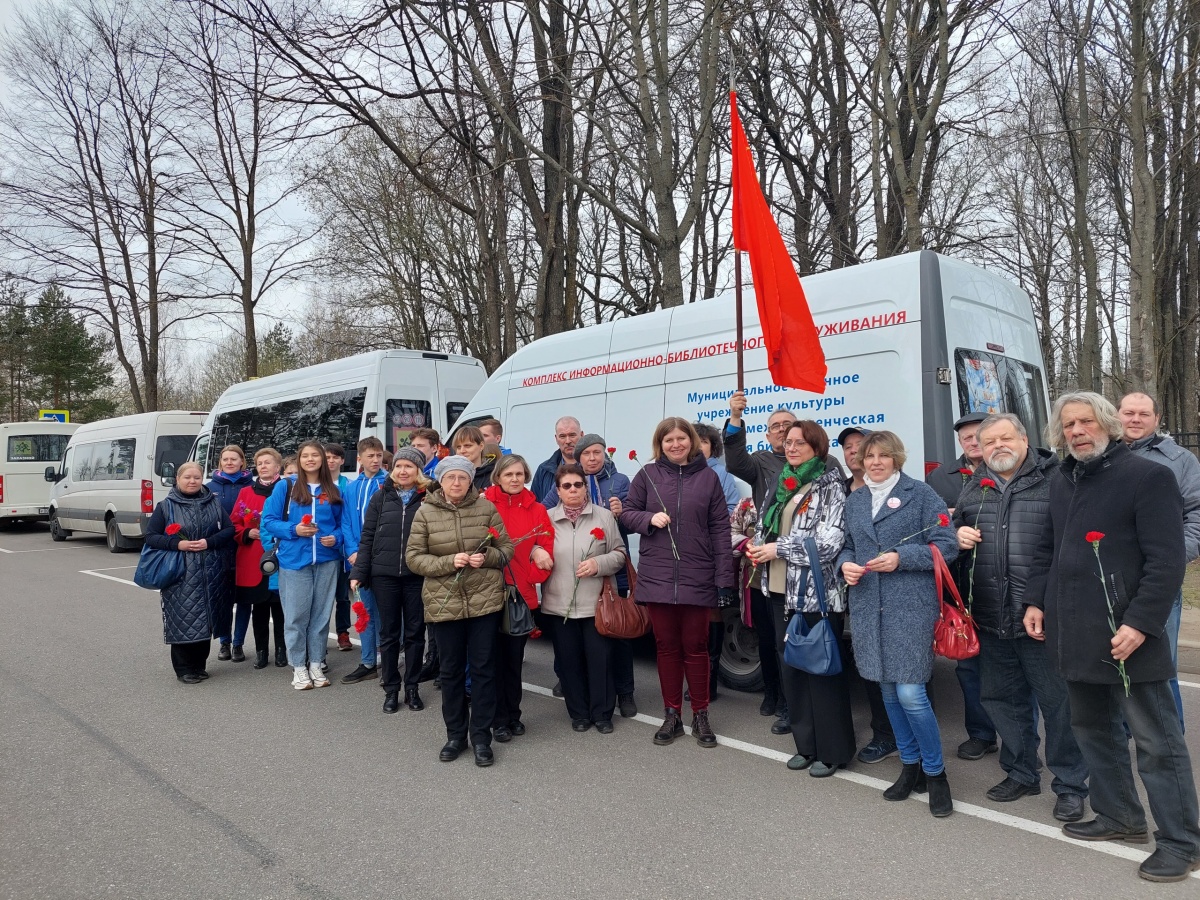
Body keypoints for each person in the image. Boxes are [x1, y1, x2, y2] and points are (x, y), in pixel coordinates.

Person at [1025, 391, 1199, 883]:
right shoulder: (1062, 480)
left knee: (1156, 742)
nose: (1077, 431)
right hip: (1074, 634)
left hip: (1128, 637)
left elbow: (1166, 561)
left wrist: (1141, 623)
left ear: (1108, 424)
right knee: (1093, 734)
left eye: (1086, 422)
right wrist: (1036, 601)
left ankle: (1183, 842)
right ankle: (1121, 818)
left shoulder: (1149, 477)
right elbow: (1048, 549)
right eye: (1068, 425)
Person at [953, 414, 1088, 823]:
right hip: (992, 617)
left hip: (1043, 620)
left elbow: (1073, 548)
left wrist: (1045, 603)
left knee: (1059, 705)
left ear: (1024, 439)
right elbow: (951, 532)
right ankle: (1022, 772)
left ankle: (1069, 786)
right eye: (987, 441)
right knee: (1002, 700)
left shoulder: (1058, 480)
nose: (996, 446)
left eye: (1004, 437)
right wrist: (955, 535)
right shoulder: (976, 486)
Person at [837, 431, 958, 817]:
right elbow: (848, 545)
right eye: (868, 455)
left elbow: (947, 542)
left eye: (883, 455)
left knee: (910, 694)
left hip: (910, 607)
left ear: (896, 458)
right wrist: (845, 564)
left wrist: (902, 557)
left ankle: (936, 774)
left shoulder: (920, 494)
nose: (874, 462)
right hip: (869, 604)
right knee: (888, 692)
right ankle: (910, 768)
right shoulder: (855, 500)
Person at [746, 421, 854, 777]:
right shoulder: (783, 482)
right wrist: (758, 544)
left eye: (799, 443)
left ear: (817, 447)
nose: (791, 448)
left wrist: (778, 548)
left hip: (814, 593)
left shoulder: (830, 484)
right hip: (778, 590)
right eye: (788, 442)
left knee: (820, 671)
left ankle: (833, 751)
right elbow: (766, 525)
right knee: (792, 670)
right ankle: (806, 746)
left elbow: (828, 543)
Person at [620, 417, 734, 749]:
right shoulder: (647, 475)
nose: (675, 444)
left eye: (681, 438)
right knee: (667, 649)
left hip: (698, 576)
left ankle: (700, 714)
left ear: (693, 441)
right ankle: (672, 714)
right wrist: (648, 519)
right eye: (668, 439)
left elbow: (720, 532)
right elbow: (626, 513)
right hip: (657, 577)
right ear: (660, 444)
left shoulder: (709, 478)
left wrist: (723, 580)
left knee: (697, 649)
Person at [405, 455, 514, 767]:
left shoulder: (486, 508)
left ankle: (481, 738)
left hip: (484, 602)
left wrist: (488, 558)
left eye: (462, 477)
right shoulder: (425, 512)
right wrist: (447, 562)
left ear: (471, 480)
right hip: (444, 602)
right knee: (451, 672)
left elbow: (506, 549)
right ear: (441, 480)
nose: (456, 483)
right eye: (451, 477)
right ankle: (455, 735)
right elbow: (414, 559)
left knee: (483, 670)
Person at [1119, 390, 1200, 731]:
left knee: (1159, 664)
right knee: (1113, 660)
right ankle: (1121, 734)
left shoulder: (1180, 460)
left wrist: (1173, 559)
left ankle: (1170, 739)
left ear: (1156, 418)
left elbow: (1196, 514)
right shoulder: (1098, 456)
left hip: (1157, 581)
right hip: (1109, 577)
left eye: (1143, 414)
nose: (1135, 419)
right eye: (1128, 413)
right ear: (1117, 415)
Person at [541, 432, 638, 716]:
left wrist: (623, 513)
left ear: (604, 454)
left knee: (617, 636)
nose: (592, 457)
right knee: (576, 649)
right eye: (587, 454)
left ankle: (625, 693)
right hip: (568, 586)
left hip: (610, 576)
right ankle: (578, 699)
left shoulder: (619, 481)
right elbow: (542, 513)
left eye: (597, 452)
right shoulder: (567, 484)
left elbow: (632, 524)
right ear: (579, 458)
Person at [925, 411, 999, 762]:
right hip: (962, 585)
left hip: (1007, 585)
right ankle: (981, 734)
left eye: (978, 434)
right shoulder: (941, 477)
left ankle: (1019, 743)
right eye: (966, 437)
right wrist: (953, 529)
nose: (973, 441)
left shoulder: (1011, 471)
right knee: (968, 664)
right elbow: (931, 526)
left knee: (1013, 667)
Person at [722, 394, 795, 729]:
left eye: (787, 425)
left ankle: (791, 701)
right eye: (775, 427)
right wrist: (735, 417)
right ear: (767, 436)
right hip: (764, 565)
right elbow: (735, 461)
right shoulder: (762, 462)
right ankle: (772, 693)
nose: (782, 432)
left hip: (798, 563)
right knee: (767, 636)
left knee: (790, 638)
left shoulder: (823, 463)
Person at [350, 447, 431, 713]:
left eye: (409, 466)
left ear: (418, 471)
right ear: (392, 469)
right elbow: (368, 536)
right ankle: (391, 689)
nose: (403, 471)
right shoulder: (380, 497)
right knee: (388, 635)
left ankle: (412, 686)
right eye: (399, 466)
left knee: (415, 634)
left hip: (417, 575)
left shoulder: (430, 497)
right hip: (383, 575)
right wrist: (359, 573)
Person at [482, 454, 555, 740]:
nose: (514, 479)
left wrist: (535, 565)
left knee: (513, 660)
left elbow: (547, 547)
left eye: (519, 474)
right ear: (498, 477)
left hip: (519, 596)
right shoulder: (484, 504)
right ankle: (497, 719)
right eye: (508, 474)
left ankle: (513, 714)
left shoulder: (537, 509)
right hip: (488, 592)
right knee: (491, 660)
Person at [262, 440, 344, 691]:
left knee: (320, 616)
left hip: (327, 561)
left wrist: (336, 538)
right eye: (305, 456)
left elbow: (344, 525)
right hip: (294, 561)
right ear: (299, 460)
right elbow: (268, 521)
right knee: (297, 616)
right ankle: (298, 666)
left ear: (322, 458)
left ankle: (317, 663)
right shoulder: (285, 486)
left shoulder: (333, 489)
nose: (310, 459)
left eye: (315, 455)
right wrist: (294, 529)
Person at [144, 461, 235, 684]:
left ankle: (199, 665)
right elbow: (151, 536)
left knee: (207, 619)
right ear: (178, 479)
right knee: (184, 619)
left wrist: (209, 542)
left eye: (196, 477)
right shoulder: (166, 506)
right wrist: (178, 545)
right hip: (180, 573)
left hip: (211, 571)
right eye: (187, 477)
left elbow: (230, 529)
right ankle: (184, 668)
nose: (192, 481)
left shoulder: (213, 503)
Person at [837, 426, 896, 766]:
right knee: (871, 668)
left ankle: (912, 739)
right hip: (859, 593)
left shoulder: (908, 490)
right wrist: (846, 563)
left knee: (910, 674)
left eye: (864, 447)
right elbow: (844, 544)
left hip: (901, 598)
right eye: (850, 447)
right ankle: (884, 734)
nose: (856, 453)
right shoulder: (843, 492)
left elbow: (939, 541)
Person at [694, 421, 741, 702]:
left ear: (713, 447)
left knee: (710, 613)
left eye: (704, 442)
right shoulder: (675, 472)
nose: (698, 447)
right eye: (694, 441)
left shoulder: (720, 473)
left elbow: (732, 509)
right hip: (683, 556)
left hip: (709, 553)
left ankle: (708, 683)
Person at [231, 448, 288, 670]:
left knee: (281, 609)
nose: (263, 466)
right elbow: (234, 523)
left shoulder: (287, 489)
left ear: (278, 467)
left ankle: (282, 650)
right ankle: (261, 652)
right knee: (260, 610)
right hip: (254, 558)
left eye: (268, 462)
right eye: (260, 463)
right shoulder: (246, 492)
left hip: (281, 556)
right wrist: (246, 533)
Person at [340, 436, 389, 685]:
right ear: (360, 458)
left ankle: (385, 656)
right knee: (366, 611)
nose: (375, 459)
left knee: (384, 610)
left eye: (379, 455)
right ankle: (368, 661)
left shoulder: (388, 483)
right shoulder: (351, 487)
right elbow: (346, 522)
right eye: (370, 455)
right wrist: (351, 551)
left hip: (381, 558)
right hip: (358, 558)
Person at [207, 445, 254, 662]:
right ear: (220, 463)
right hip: (220, 551)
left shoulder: (252, 487)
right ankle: (224, 642)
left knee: (244, 600)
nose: (229, 462)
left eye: (234, 459)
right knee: (222, 600)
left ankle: (238, 644)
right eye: (225, 459)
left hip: (246, 550)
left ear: (242, 462)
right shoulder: (209, 488)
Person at [325, 443, 354, 652]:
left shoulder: (349, 485)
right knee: (323, 597)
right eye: (327, 457)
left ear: (342, 461)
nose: (331, 461)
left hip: (344, 549)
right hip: (325, 549)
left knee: (343, 595)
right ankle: (319, 636)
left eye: (336, 457)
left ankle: (343, 632)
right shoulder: (318, 485)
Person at [532, 416, 583, 503]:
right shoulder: (544, 470)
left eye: (572, 435)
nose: (567, 441)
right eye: (562, 436)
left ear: (581, 435)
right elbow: (534, 506)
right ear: (556, 439)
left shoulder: (595, 468)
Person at [451, 425, 497, 490]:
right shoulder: (449, 475)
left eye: (467, 446)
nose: (462, 451)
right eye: (458, 447)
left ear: (481, 446)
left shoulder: (495, 476)